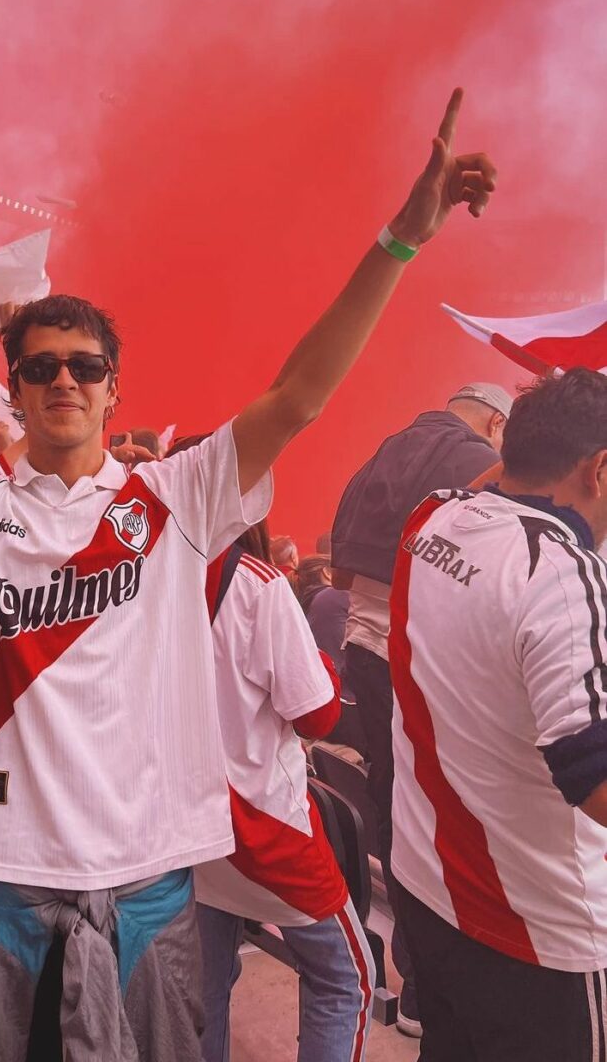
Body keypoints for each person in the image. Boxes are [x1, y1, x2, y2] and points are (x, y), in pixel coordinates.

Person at [0, 53, 495, 1058]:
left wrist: (400, 237)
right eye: (41, 368)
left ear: (112, 391)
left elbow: (299, 395)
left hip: (150, 882)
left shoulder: (176, 500)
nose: (64, 379)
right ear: (13, 394)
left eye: (85, 367)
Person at [388, 368, 607, 1061]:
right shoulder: (564, 575)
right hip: (542, 932)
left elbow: (491, 486)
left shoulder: (433, 518)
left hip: (432, 889)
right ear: (600, 470)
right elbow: (597, 783)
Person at [168, 437, 375, 1062]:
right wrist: (318, 667)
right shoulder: (259, 586)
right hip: (265, 826)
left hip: (184, 819)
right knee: (349, 979)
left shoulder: (144, 576)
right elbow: (317, 713)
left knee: (202, 986)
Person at [329, 379, 510, 1035]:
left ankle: (414, 983)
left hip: (367, 652)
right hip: (430, 660)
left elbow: (339, 573)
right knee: (448, 816)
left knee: (395, 803)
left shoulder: (377, 457)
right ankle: (438, 990)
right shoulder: (475, 463)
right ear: (496, 424)